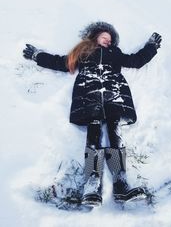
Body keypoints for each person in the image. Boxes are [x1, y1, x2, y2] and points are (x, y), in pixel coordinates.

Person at [23, 22, 162, 207]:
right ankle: (92, 184)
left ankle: (121, 184)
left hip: (114, 95)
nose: (108, 40)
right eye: (105, 36)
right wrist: (37, 55)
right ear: (95, 36)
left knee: (115, 134)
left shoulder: (115, 54)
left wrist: (151, 47)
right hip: (89, 95)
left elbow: (136, 61)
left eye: (110, 39)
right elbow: (61, 63)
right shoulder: (83, 52)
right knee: (93, 136)